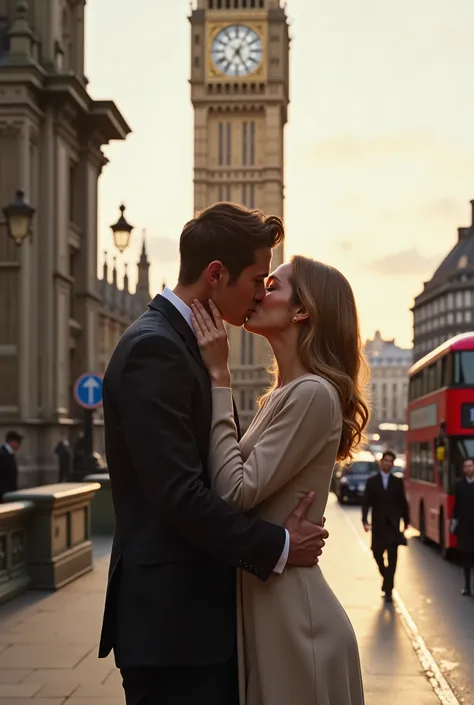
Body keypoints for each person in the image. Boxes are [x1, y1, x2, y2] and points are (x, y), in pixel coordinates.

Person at [98, 203, 328, 705]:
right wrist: (279, 546)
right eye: (256, 278)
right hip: (174, 631)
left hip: (192, 624)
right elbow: (179, 496)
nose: (260, 293)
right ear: (217, 274)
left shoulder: (189, 346)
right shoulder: (154, 349)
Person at [191, 255, 369, 705]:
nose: (258, 293)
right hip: (271, 609)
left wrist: (219, 379)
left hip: (298, 624)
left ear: (301, 310)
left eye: (271, 285)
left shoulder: (312, 393)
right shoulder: (283, 395)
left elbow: (234, 490)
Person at [362, 450, 410, 603]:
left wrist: (406, 521)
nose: (387, 463)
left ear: (393, 464)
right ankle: (386, 579)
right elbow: (366, 502)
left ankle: (388, 590)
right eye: (385, 460)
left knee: (393, 558)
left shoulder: (397, 482)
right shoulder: (372, 481)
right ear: (381, 462)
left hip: (393, 525)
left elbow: (403, 502)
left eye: (390, 461)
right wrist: (364, 520)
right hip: (378, 525)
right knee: (377, 554)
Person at [451, 457, 474, 596]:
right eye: (466, 466)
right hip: (465, 527)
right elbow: (457, 506)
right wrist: (454, 521)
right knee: (466, 558)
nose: (468, 469)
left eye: (470, 466)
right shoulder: (459, 485)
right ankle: (466, 586)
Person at [0, 430, 23, 502]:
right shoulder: (2, 454)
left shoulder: (9, 454)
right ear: (11, 441)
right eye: (18, 442)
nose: (19, 445)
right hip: (4, 494)